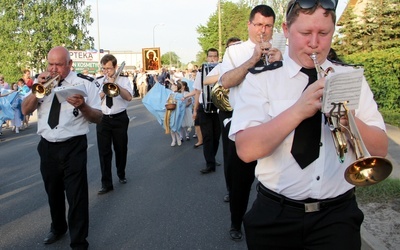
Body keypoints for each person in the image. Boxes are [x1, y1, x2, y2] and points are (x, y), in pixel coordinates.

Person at [229, 1, 388, 249]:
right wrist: (298, 110)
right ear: (285, 29)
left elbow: (380, 150)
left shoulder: (350, 78)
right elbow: (246, 150)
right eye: (305, 33)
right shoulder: (262, 80)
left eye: (324, 33)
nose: (315, 43)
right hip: (275, 215)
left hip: (337, 216)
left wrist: (349, 119)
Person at [21, 46, 103, 249]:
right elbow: (25, 109)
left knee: (76, 195)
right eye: (50, 64)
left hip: (73, 146)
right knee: (53, 192)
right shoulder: (42, 83)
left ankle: (78, 241)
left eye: (58, 64)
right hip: (48, 146)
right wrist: (36, 92)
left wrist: (83, 106)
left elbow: (98, 117)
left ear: (69, 64)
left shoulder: (84, 84)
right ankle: (58, 228)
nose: (54, 69)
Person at [219, 4, 282, 241]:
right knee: (241, 181)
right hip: (245, 127)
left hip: (274, 125)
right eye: (258, 25)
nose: (263, 31)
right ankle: (236, 222)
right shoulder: (235, 52)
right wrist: (253, 60)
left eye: (268, 26)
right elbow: (226, 81)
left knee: (276, 178)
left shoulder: (280, 50)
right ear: (249, 25)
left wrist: (281, 60)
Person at [96, 54, 133, 194]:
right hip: (103, 119)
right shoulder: (98, 81)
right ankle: (106, 183)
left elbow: (129, 97)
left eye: (109, 69)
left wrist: (116, 85)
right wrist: (104, 89)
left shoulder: (123, 80)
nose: (106, 72)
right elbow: (94, 101)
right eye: (104, 69)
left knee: (121, 149)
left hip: (119, 118)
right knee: (104, 152)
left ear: (115, 67)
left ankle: (121, 173)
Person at [193, 48, 221, 174]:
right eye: (210, 56)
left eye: (215, 56)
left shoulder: (222, 70)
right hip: (204, 108)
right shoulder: (201, 73)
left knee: (216, 137)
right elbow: (197, 92)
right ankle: (210, 163)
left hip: (218, 108)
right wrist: (195, 110)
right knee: (208, 137)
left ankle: (212, 158)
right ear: (207, 57)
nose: (213, 59)